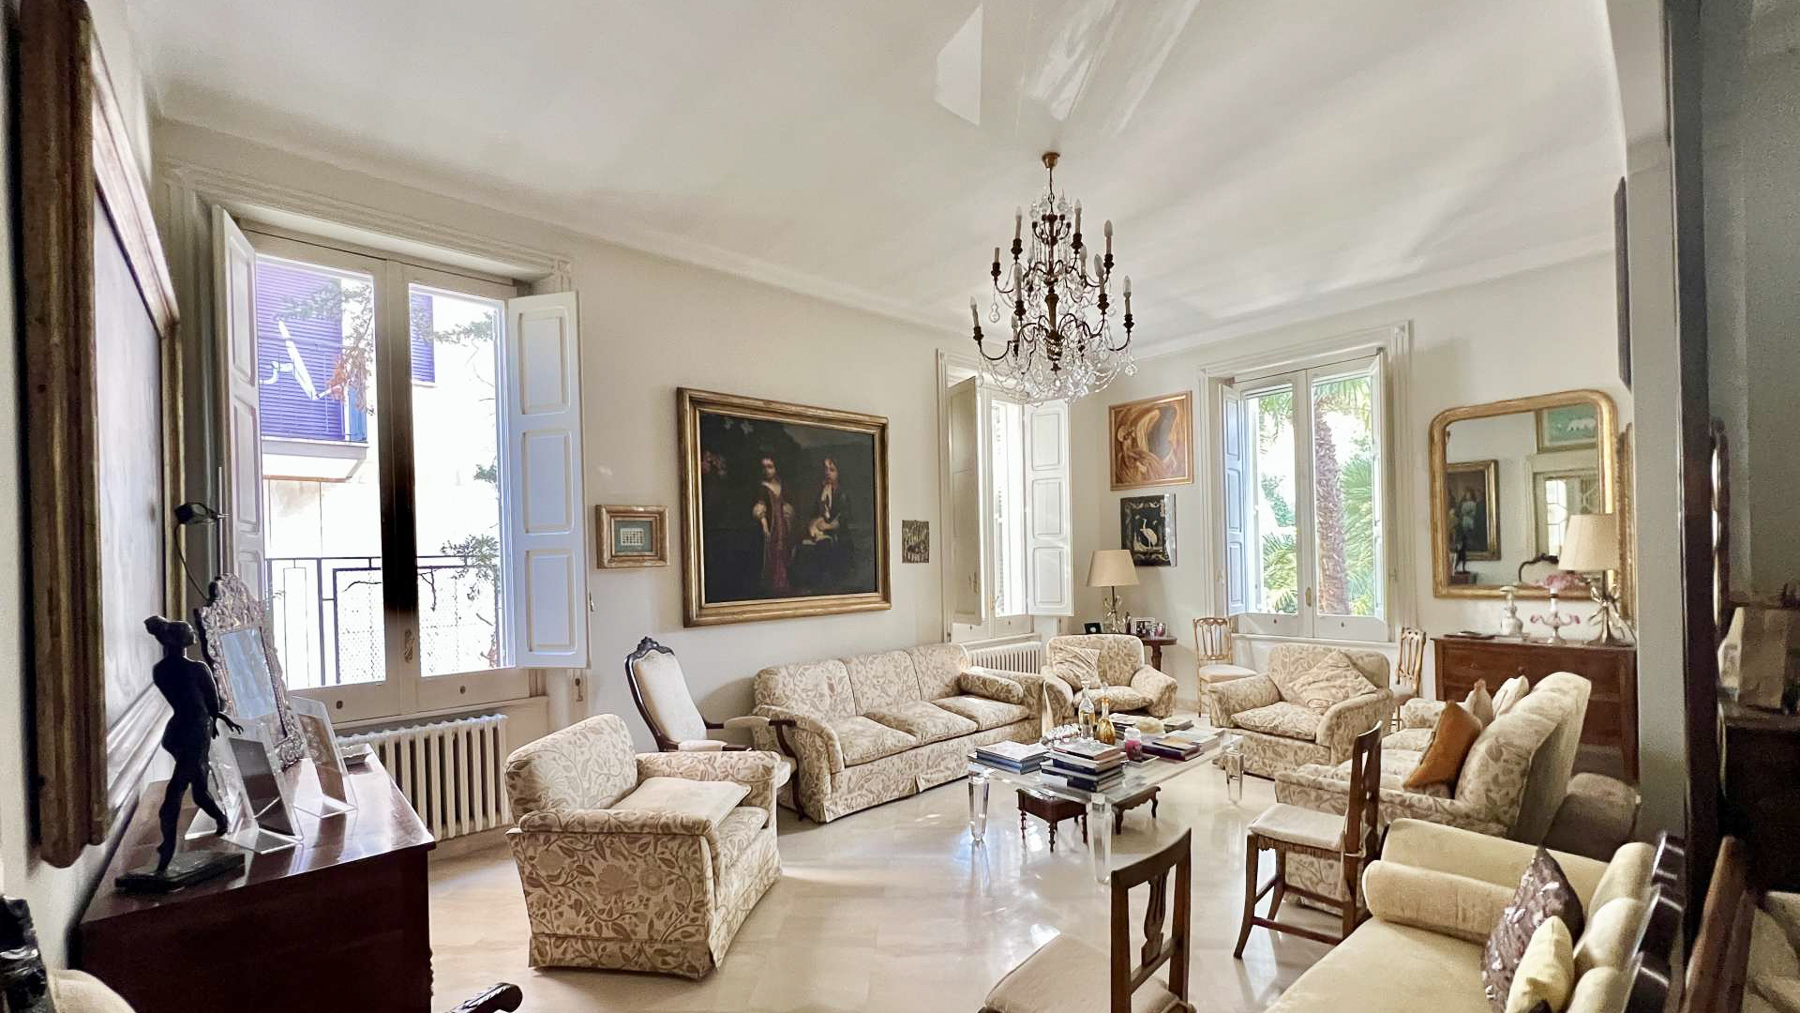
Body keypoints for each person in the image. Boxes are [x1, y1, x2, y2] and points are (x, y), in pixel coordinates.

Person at [144, 615, 242, 875]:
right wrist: (219, 717)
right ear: (182, 640)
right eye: (191, 632)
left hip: (177, 731)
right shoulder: (197, 669)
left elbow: (189, 700)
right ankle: (167, 847)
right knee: (176, 790)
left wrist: (217, 717)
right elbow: (213, 703)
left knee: (198, 786)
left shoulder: (160, 670)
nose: (195, 635)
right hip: (196, 731)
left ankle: (221, 820)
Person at [750, 454, 794, 594]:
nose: (767, 470)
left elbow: (787, 506)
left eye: (770, 467)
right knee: (772, 552)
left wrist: (788, 521)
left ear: (776, 468)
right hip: (771, 525)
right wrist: (765, 527)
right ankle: (773, 583)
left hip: (782, 524)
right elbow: (760, 509)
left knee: (783, 550)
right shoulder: (762, 487)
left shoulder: (781, 485)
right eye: (764, 467)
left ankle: (783, 582)